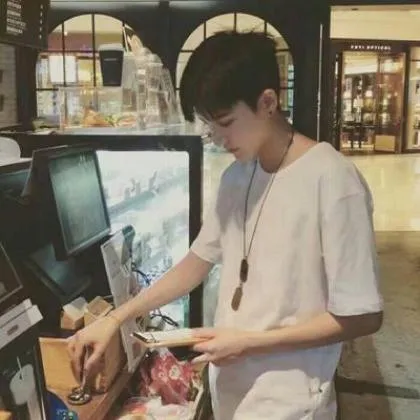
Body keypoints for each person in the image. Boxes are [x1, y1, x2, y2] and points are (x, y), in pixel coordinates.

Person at [67, 31, 383, 419]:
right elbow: (195, 263)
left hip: (292, 401)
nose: (217, 138)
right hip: (232, 390)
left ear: (268, 102)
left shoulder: (333, 180)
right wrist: (116, 318)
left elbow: (361, 315)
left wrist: (248, 343)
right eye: (209, 125)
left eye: (226, 122)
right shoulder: (238, 175)